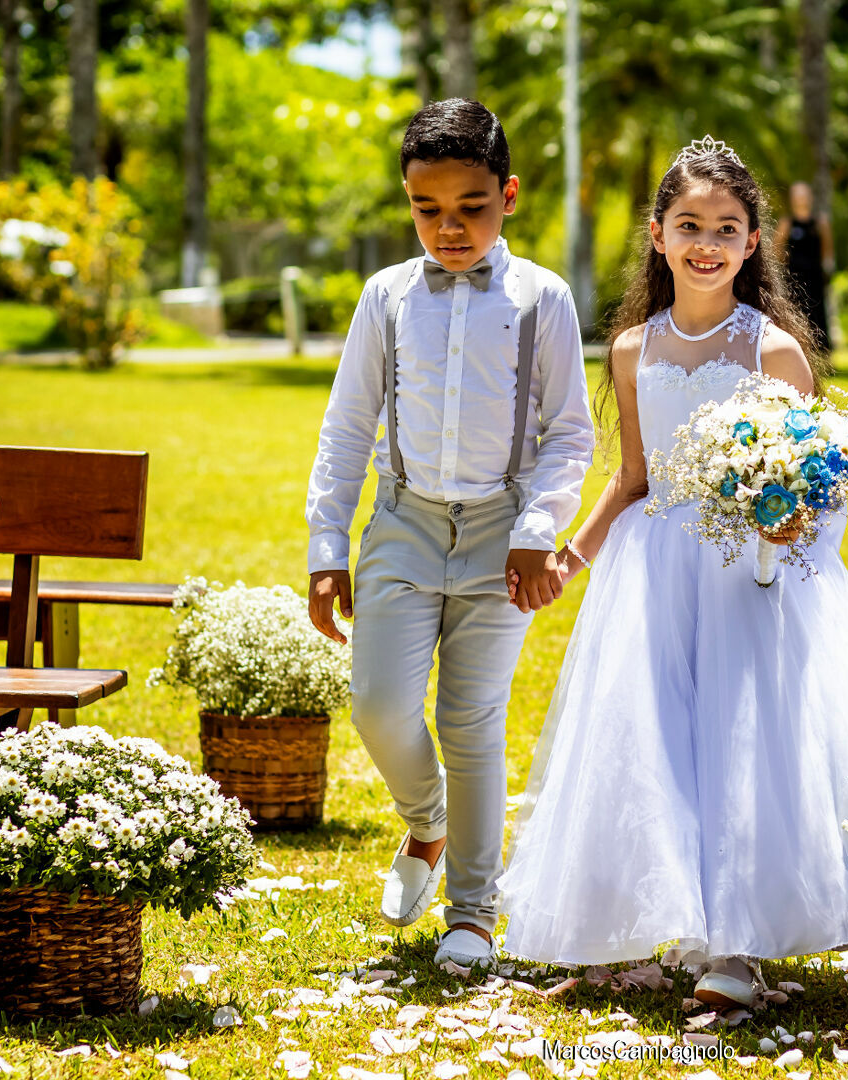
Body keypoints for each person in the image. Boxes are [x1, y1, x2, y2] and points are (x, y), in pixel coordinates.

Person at [497, 136, 848, 1007]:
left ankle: (741, 944)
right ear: (656, 235)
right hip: (653, 568)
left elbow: (811, 481)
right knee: (653, 738)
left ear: (753, 241)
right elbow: (634, 475)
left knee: (742, 740)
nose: (706, 243)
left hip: (745, 571)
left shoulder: (773, 353)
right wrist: (575, 551)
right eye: (688, 224)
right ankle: (662, 922)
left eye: (726, 227)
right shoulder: (630, 347)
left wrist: (787, 521)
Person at [304, 99, 595, 969]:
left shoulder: (542, 298)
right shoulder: (386, 297)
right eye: (427, 210)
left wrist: (537, 528)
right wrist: (327, 548)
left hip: (503, 531)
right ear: (407, 202)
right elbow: (347, 427)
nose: (449, 228)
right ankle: (424, 823)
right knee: (378, 705)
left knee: (472, 719)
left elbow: (570, 432)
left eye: (470, 207)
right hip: (401, 524)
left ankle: (473, 907)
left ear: (507, 196)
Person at [774, 181, 833, 353]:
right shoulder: (787, 223)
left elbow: (827, 250)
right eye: (797, 195)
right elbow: (777, 249)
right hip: (793, 278)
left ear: (810, 198)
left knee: (818, 314)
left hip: (815, 277)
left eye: (804, 195)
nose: (801, 199)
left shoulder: (820, 223)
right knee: (795, 313)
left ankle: (822, 354)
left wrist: (826, 269)